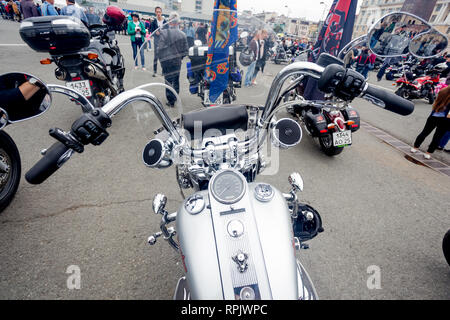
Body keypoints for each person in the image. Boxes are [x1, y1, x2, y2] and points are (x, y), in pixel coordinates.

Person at [157, 12, 188, 107]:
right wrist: (180, 58)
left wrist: (161, 59)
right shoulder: (183, 34)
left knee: (168, 80)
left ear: (169, 22)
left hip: (166, 61)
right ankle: (176, 97)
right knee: (176, 79)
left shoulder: (164, 33)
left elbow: (160, 48)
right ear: (178, 23)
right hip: (177, 61)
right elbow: (185, 51)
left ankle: (171, 101)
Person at [411, 85, 450, 159]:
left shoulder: (443, 91)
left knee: (424, 132)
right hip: (445, 120)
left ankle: (415, 148)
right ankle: (428, 153)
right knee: (437, 137)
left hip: (434, 116)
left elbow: (436, 101)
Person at [150, 6, 167, 77]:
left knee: (162, 57)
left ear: (161, 12)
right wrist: (154, 33)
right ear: (155, 13)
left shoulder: (165, 21)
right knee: (155, 57)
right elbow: (151, 30)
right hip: (156, 41)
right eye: (157, 12)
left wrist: (162, 32)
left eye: (159, 12)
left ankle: (163, 71)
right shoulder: (154, 22)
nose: (158, 13)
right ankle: (154, 71)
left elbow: (167, 31)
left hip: (163, 41)